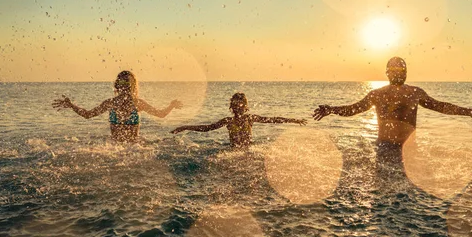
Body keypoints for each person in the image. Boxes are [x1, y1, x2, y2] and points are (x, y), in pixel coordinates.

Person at [313, 57, 472, 148]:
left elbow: (440, 106)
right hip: (385, 149)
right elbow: (353, 110)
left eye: (401, 69)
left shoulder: (415, 93)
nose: (399, 72)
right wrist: (331, 109)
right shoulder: (378, 94)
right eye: (395, 69)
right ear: (387, 73)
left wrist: (468, 112)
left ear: (406, 72)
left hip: (406, 149)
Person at [52, 70, 183, 143]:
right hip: (134, 146)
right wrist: (171, 105)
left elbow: (87, 115)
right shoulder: (137, 103)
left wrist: (71, 105)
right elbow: (161, 114)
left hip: (114, 146)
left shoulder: (110, 103)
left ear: (117, 85)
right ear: (134, 85)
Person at [171, 92, 307, 148]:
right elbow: (207, 128)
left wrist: (294, 120)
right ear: (232, 107)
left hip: (249, 150)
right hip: (233, 151)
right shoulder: (228, 121)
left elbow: (273, 120)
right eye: (235, 106)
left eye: (241, 106)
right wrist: (184, 127)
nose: (238, 108)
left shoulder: (250, 119)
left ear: (246, 107)